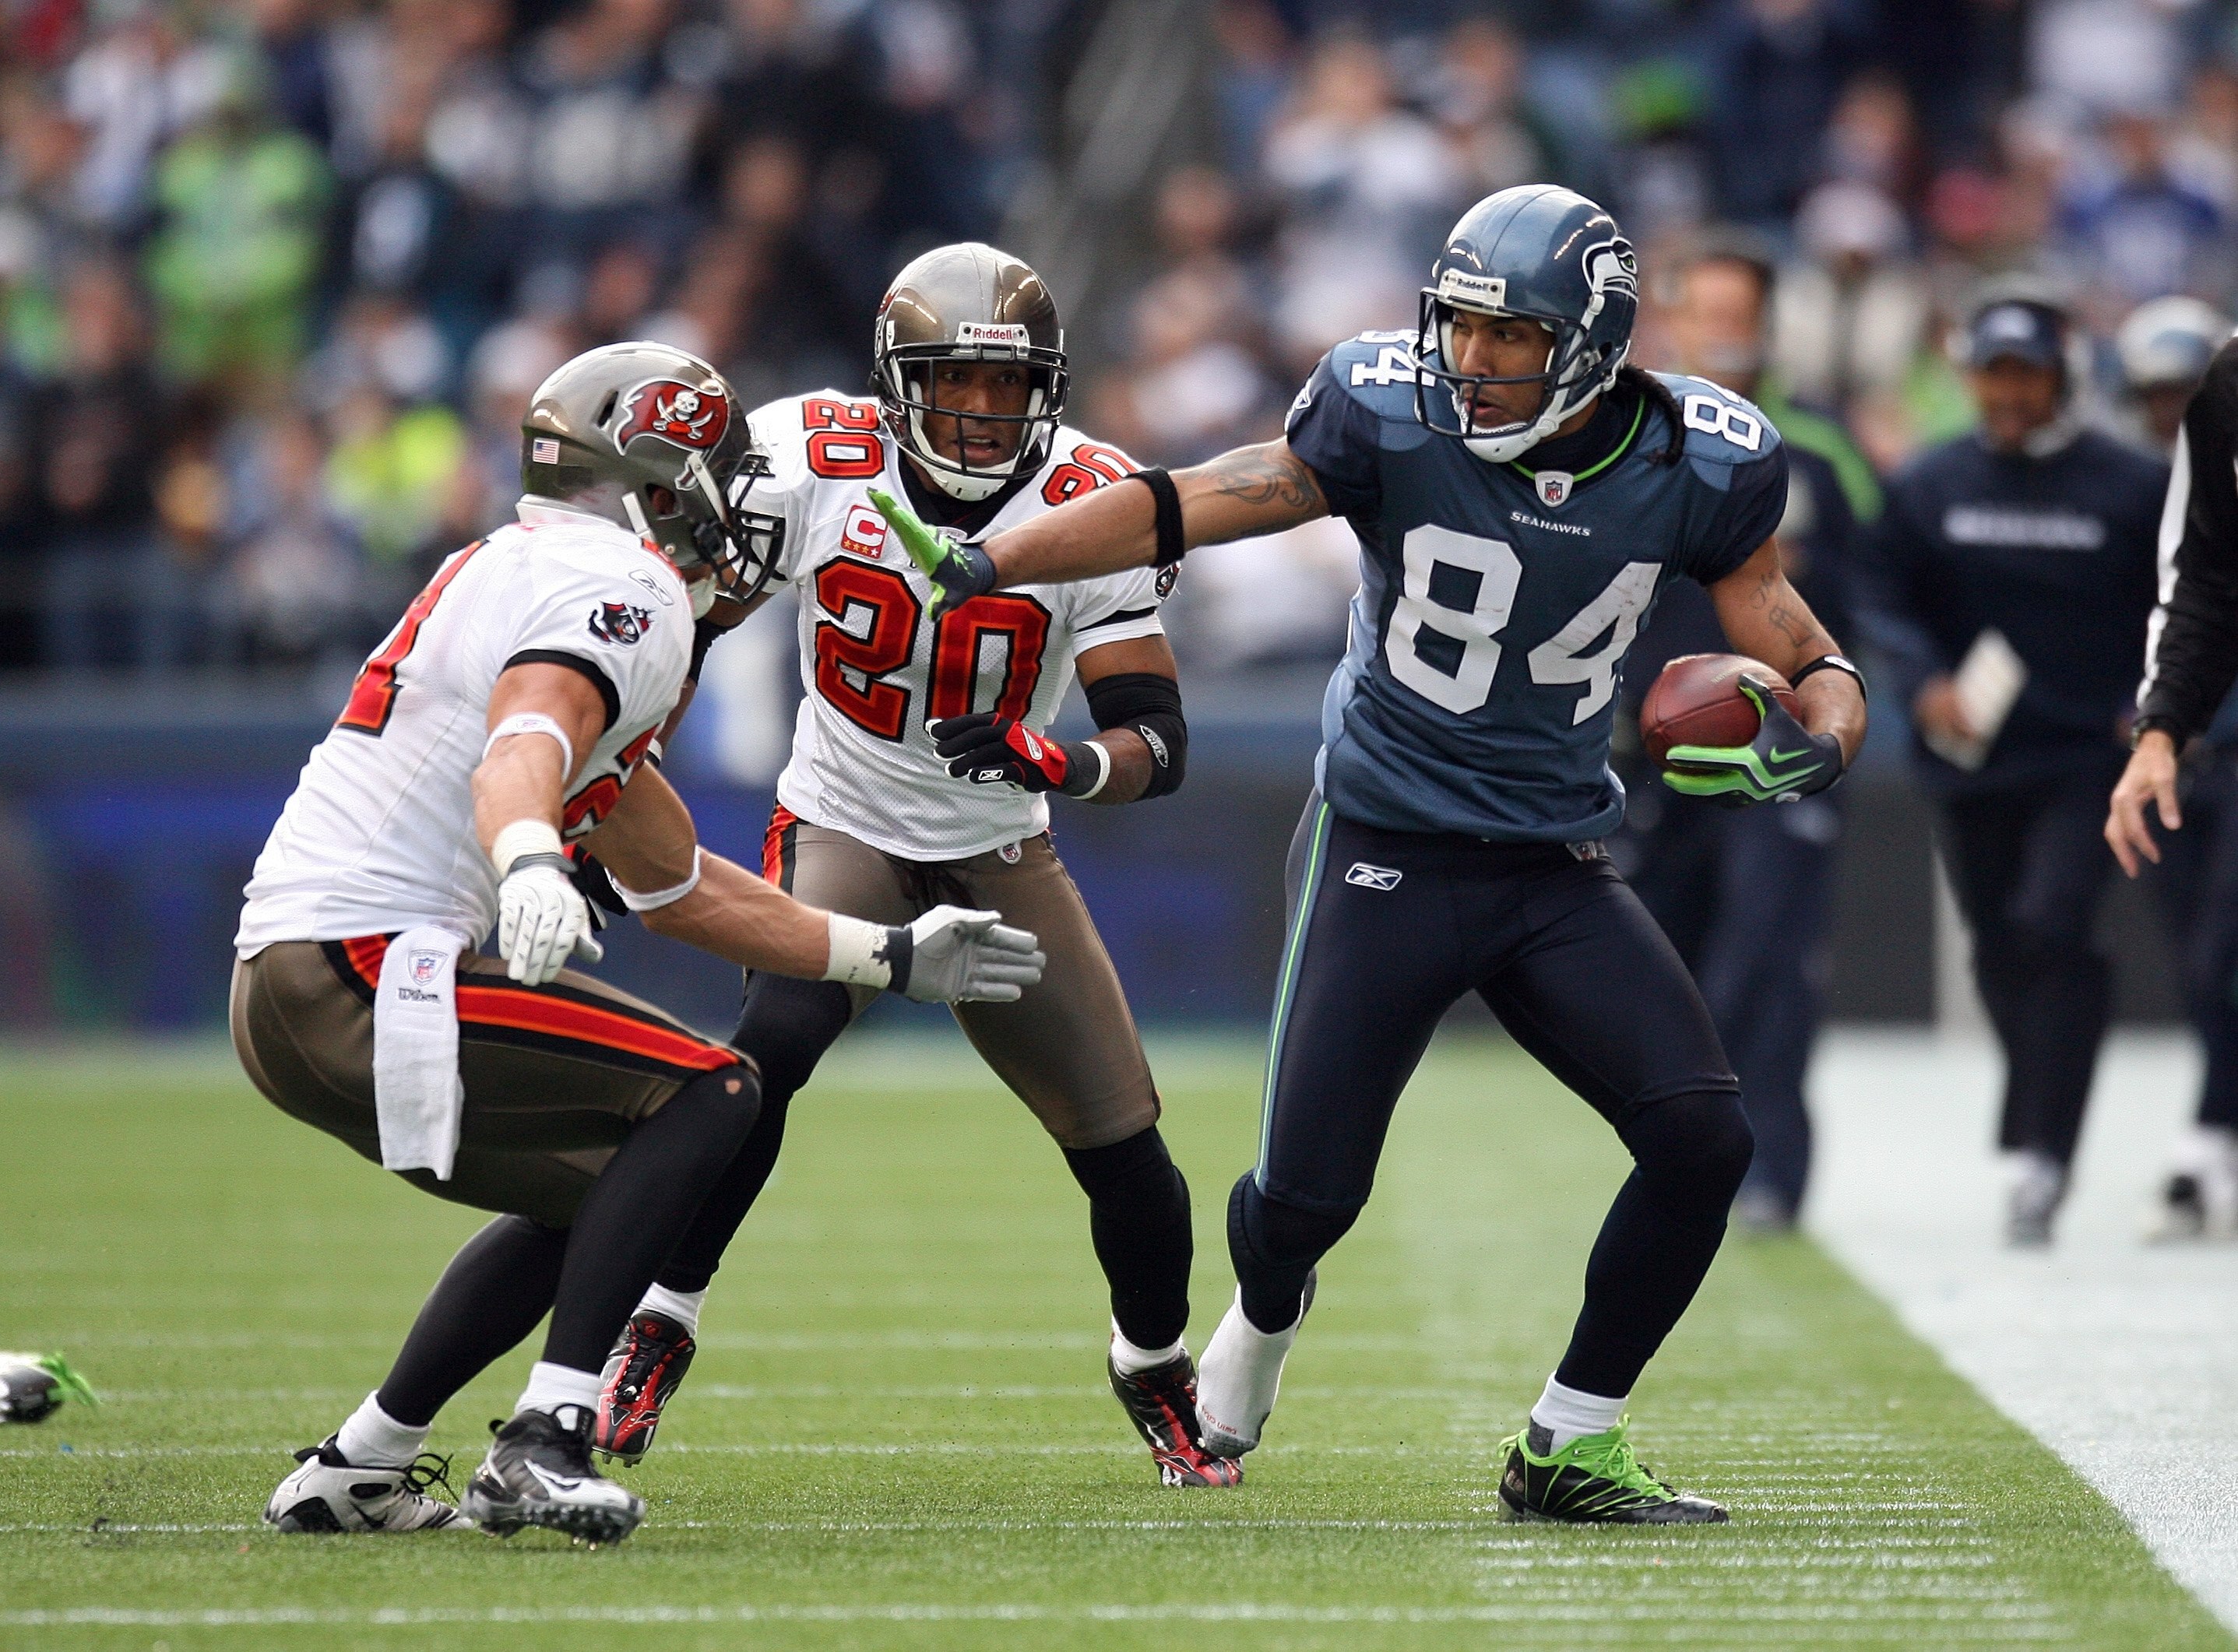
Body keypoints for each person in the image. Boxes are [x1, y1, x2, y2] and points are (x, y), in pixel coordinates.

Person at [898, 185, 1871, 1524]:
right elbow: (1190, 502)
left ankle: (1568, 1444)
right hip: (1385, 841)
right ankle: (1268, 1302)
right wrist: (992, 557)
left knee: (1703, 1137)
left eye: (1506, 337)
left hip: (1550, 860)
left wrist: (1821, 731)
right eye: (1458, 328)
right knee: (1299, 1200)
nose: (1468, 360)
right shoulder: (1384, 409)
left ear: (1589, 345)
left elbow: (1795, 637)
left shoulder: (1702, 459)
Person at [234, 343, 1042, 1545]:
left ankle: (362, 1461)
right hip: (357, 966)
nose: (741, 506)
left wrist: (889, 955)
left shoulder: (520, 561)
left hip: (296, 981)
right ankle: (545, 1440)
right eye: (720, 472)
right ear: (660, 482)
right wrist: (526, 858)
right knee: (712, 1093)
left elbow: (671, 884)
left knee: (612, 1194)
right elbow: (527, 742)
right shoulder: (624, 586)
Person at [596, 244, 1237, 1489]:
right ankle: (656, 1320)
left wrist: (1056, 761)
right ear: (897, 379)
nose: (985, 412)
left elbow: (1154, 739)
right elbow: (678, 628)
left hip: (999, 848)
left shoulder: (1093, 494)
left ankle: (1151, 1361)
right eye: (957, 382)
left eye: (1010, 389)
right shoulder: (811, 461)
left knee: (1129, 1156)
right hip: (842, 824)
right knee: (760, 1057)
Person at [1860, 283, 2166, 1246]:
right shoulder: (1929, 484)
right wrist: (1922, 683)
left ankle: (2042, 1153)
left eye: (2026, 372)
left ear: (2063, 374)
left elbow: (2186, 602)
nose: (2009, 392)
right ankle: (2036, 1113)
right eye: (1994, 372)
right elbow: (1878, 598)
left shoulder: (2132, 486)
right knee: (2000, 944)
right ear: (1969, 377)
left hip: (2089, 759)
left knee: (2050, 923)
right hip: (1972, 760)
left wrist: (2153, 711)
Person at [1617, 231, 1881, 1230]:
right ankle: (1678, 1166)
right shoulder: (1628, 442)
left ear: (1769, 324)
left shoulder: (1818, 448)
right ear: (1676, 318)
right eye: (1708, 311)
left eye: (1742, 314)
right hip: (1655, 750)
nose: (1724, 331)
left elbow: (1874, 581)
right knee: (1658, 966)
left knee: (1767, 956)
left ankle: (1771, 1171)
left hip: (1774, 752)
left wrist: (1833, 706)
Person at [2107, 313, 2238, 1239]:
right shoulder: (2229, 382)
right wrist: (2160, 731)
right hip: (2215, 741)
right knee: (2212, 956)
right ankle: (2211, 1135)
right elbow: (2203, 580)